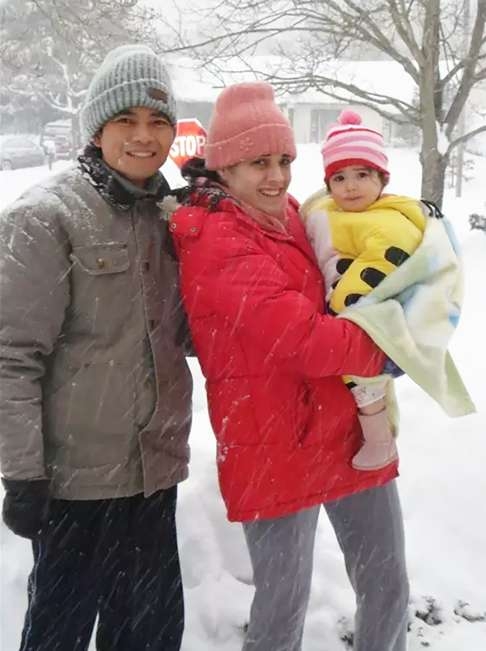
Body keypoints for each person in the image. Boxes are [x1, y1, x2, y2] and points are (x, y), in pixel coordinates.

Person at [170, 82, 409, 651]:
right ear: (224, 166)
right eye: (258, 163)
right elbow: (301, 338)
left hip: (342, 428)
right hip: (271, 444)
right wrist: (389, 348)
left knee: (387, 584)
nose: (277, 177)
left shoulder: (294, 214)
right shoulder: (214, 239)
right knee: (281, 612)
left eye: (284, 161)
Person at [0, 44, 192, 651]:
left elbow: (191, 331)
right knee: (60, 636)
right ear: (98, 128)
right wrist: (22, 474)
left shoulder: (172, 218)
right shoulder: (45, 217)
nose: (144, 136)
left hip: (154, 476)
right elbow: (11, 355)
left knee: (152, 635)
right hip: (75, 488)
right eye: (126, 121)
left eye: (158, 121)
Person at [300, 109, 474, 471]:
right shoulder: (331, 209)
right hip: (357, 311)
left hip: (378, 311)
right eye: (339, 177)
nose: (350, 186)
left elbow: (376, 269)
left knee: (363, 379)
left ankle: (380, 439)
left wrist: (337, 309)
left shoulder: (390, 221)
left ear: (382, 179)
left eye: (362, 175)